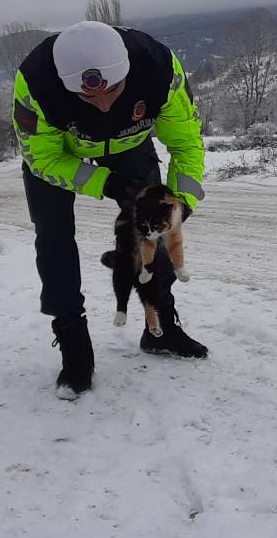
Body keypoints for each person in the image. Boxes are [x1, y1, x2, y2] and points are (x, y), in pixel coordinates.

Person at [12, 21, 209, 397]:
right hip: (59, 158)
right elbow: (43, 158)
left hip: (130, 147)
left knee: (156, 232)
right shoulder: (36, 84)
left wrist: (182, 203)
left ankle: (161, 328)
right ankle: (74, 348)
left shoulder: (160, 71)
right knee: (53, 240)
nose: (103, 104)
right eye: (88, 98)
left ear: (128, 74)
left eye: (115, 90)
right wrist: (106, 183)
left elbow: (186, 145)